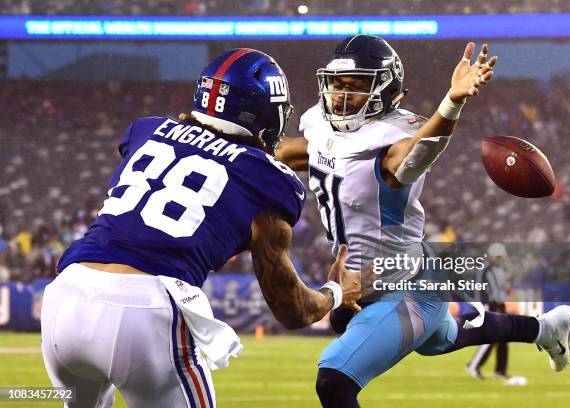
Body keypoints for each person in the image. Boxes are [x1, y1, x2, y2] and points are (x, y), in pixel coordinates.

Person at [40, 48, 361, 408]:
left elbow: (207, 150)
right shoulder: (269, 181)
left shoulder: (146, 130)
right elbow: (293, 310)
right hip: (144, 307)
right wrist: (336, 291)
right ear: (266, 114)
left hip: (65, 297)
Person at [275, 35, 570, 407]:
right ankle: (545, 328)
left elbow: (423, 146)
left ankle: (542, 328)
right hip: (366, 284)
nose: (341, 95)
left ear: (385, 90)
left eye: (356, 87)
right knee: (444, 338)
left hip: (409, 286)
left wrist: (452, 102)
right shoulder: (323, 131)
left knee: (335, 378)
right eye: (337, 84)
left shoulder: (390, 147)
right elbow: (285, 152)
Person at [466, 243, 512, 380]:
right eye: (497, 256)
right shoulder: (485, 270)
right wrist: (483, 307)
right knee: (489, 339)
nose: (499, 259)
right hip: (490, 306)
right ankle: (473, 365)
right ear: (491, 256)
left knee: (504, 339)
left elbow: (503, 288)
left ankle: (500, 371)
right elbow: (480, 290)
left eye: (501, 256)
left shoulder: (501, 270)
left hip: (500, 306)